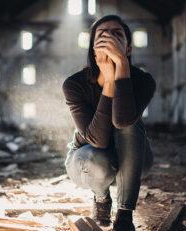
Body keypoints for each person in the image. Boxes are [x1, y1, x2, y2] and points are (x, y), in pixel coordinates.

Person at [61, 15, 156, 230]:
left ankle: (124, 216)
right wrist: (109, 81)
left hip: (133, 159)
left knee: (131, 122)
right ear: (93, 50)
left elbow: (123, 122)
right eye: (102, 35)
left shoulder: (144, 81)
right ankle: (101, 198)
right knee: (96, 159)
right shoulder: (74, 84)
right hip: (86, 159)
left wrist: (121, 65)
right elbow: (99, 141)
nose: (110, 38)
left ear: (129, 48)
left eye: (117, 34)